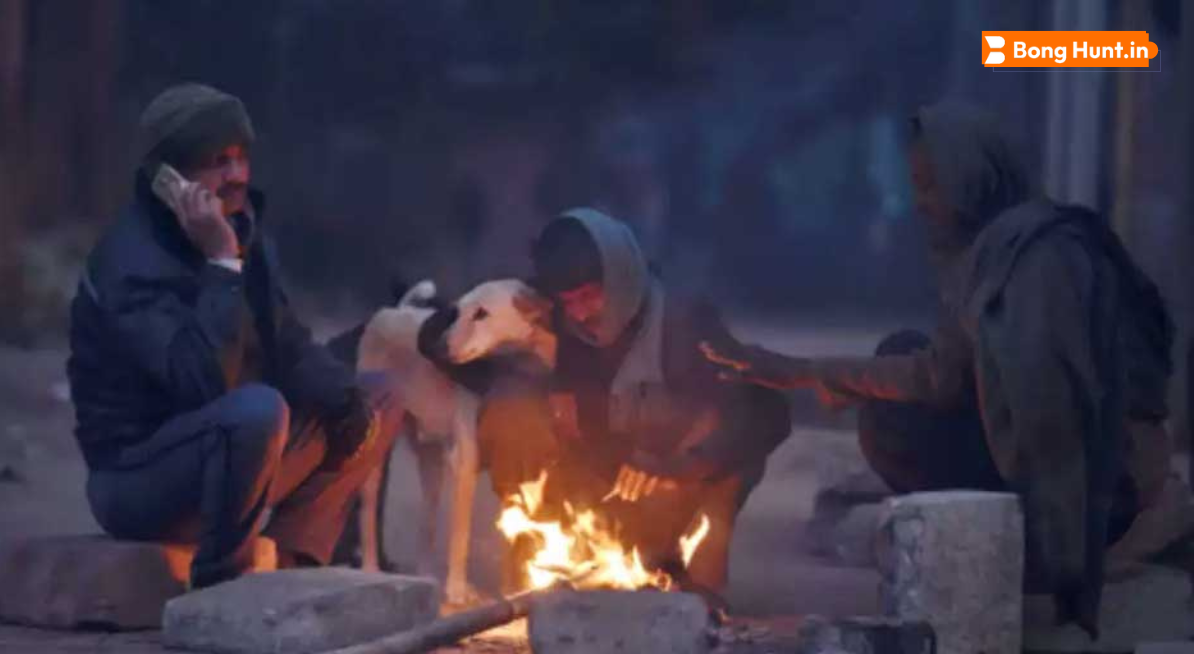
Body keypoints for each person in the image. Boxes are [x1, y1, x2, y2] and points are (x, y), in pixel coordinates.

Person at [704, 101, 1190, 635]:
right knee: (898, 362)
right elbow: (937, 374)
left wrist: (1062, 540)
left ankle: (1031, 550)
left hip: (1101, 494)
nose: (921, 203)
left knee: (894, 422)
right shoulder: (1007, 249)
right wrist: (800, 371)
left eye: (932, 185)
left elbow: (1050, 419)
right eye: (917, 184)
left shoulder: (1032, 263)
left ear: (972, 177)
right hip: (1087, 476)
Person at [66, 83, 399, 589]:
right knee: (258, 409)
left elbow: (284, 339)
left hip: (233, 458)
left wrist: (343, 402)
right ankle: (223, 584)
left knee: (379, 395)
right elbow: (201, 382)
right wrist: (222, 263)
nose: (237, 176)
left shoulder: (240, 229)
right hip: (142, 482)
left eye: (242, 158)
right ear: (169, 179)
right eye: (218, 161)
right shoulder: (130, 264)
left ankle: (291, 571)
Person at [477, 208, 791, 598]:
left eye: (590, 296)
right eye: (568, 301)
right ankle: (534, 556)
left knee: (714, 425)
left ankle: (687, 573)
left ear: (620, 277)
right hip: (592, 496)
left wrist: (678, 465)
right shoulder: (551, 316)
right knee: (512, 406)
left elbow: (766, 412)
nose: (579, 313)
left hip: (673, 493)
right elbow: (457, 346)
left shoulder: (684, 322)